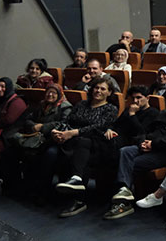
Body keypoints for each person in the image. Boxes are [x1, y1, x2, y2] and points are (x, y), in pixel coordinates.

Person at [51, 77, 125, 218]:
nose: (98, 91)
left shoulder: (110, 109)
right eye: (96, 88)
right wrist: (58, 132)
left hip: (97, 145)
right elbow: (67, 120)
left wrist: (72, 133)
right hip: (73, 142)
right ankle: (63, 189)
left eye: (103, 89)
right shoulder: (81, 104)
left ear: (109, 93)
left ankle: (78, 196)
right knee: (56, 151)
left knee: (83, 147)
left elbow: (97, 128)